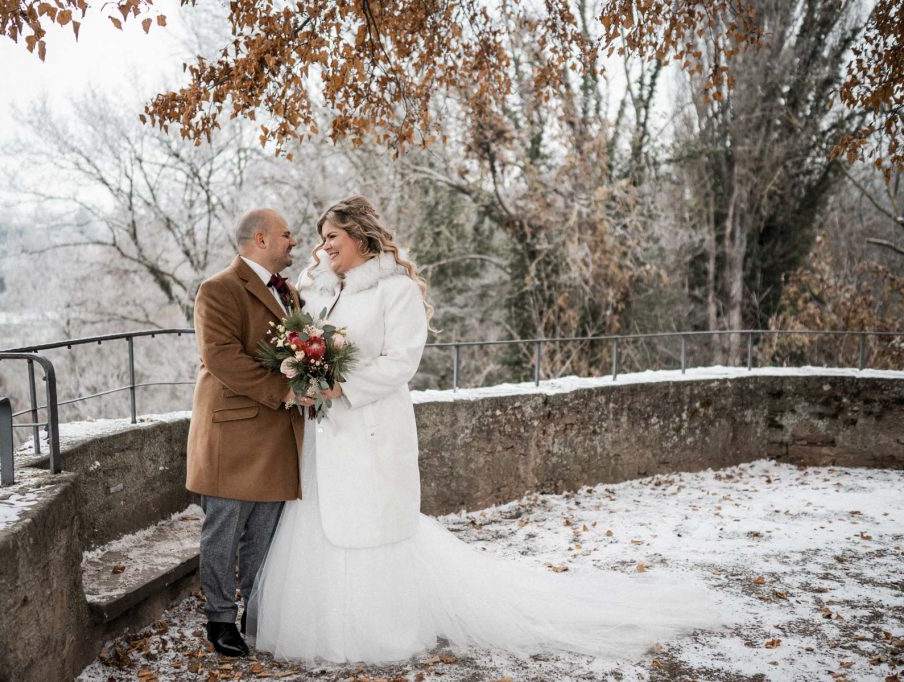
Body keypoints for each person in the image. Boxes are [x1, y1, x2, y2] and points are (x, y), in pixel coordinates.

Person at [245, 195, 725, 665]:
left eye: (332, 237)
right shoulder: (317, 290)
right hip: (320, 438)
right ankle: (324, 625)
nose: (323, 247)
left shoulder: (396, 290)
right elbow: (301, 342)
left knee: (374, 524)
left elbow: (402, 362)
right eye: (322, 239)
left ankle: (374, 629)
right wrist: (304, 376)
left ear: (361, 237)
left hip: (371, 428)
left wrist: (341, 386)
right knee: (321, 522)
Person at [186, 208, 312, 658]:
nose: (293, 241)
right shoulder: (217, 289)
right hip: (233, 433)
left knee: (264, 531)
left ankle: (255, 613)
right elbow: (221, 358)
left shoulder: (291, 294)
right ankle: (219, 619)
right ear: (260, 239)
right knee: (223, 528)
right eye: (287, 234)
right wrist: (285, 391)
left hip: (279, 433)